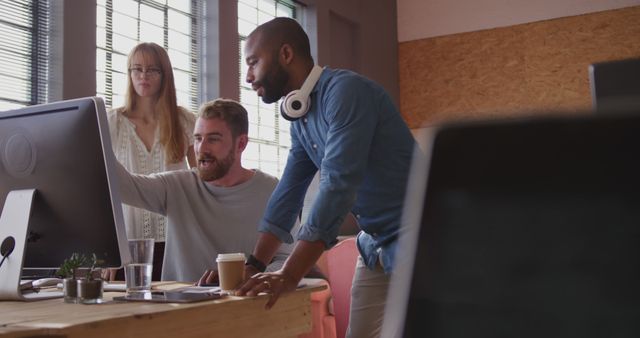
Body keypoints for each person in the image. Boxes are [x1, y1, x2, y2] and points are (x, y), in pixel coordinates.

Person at [235, 18, 416, 338]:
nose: (248, 76)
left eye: (253, 62)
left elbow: (338, 185)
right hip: (375, 242)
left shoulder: (346, 92)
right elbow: (288, 193)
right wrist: (254, 266)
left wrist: (290, 274)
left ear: (286, 54)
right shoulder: (300, 118)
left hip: (420, 236)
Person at [115, 98, 296, 282]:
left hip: (244, 306)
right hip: (180, 308)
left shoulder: (272, 191)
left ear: (241, 144)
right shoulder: (177, 186)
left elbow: (288, 259)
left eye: (213, 139)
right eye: (198, 138)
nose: (202, 148)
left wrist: (245, 275)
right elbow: (123, 186)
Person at [108, 42, 197, 280]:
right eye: (136, 69)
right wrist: (108, 249)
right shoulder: (110, 122)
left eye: (152, 70)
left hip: (176, 243)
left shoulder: (186, 121)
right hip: (127, 245)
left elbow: (202, 183)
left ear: (164, 75)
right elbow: (100, 189)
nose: (143, 76)